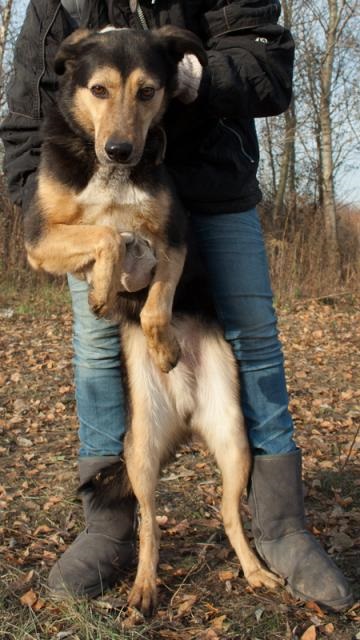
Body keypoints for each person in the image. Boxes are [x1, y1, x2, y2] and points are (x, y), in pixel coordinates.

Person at [0, 0, 353, 611]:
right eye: (105, 92)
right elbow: (25, 112)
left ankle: (280, 525)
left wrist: (193, 74)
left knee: (257, 339)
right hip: (92, 193)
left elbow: (267, 67)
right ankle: (109, 525)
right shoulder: (60, 6)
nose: (122, 111)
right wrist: (39, 196)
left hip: (214, 183)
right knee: (94, 354)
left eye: (139, 95)